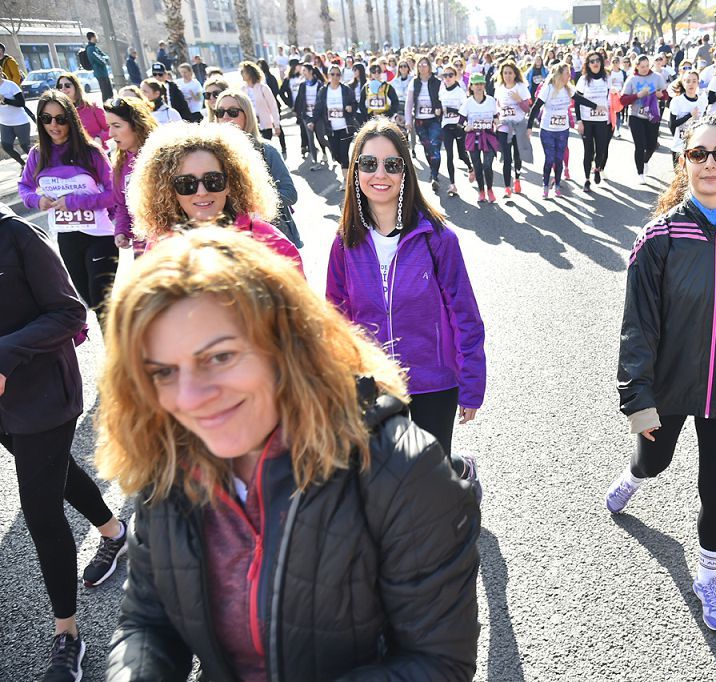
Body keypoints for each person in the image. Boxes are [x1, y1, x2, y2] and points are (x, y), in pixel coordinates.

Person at [98, 226, 480, 680]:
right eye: (162, 372)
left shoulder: (399, 469)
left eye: (219, 357)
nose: (191, 397)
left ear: (283, 346)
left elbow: (438, 662)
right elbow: (148, 619)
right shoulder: (170, 461)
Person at [607, 115, 716, 633]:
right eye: (699, 154)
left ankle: (708, 575)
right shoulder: (660, 236)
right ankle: (633, 475)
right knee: (655, 462)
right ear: (684, 163)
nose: (710, 164)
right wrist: (637, 399)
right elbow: (636, 326)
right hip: (669, 385)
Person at [0, 204, 128, 682]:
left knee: (40, 509)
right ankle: (116, 534)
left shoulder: (18, 237)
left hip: (43, 397)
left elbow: (70, 312)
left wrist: (6, 353)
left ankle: (68, 636)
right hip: (5, 406)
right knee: (56, 472)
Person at [326, 118, 486, 499]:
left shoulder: (438, 238)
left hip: (436, 379)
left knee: (432, 471)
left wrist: (471, 384)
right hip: (375, 383)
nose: (379, 174)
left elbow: (465, 315)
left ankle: (458, 469)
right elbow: (335, 319)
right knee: (389, 477)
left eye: (391, 165)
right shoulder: (344, 243)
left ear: (405, 172)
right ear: (355, 172)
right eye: (368, 164)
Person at [127, 121, 302, 271]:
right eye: (186, 183)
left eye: (213, 180)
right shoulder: (159, 249)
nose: (202, 192)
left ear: (230, 183)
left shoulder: (271, 245)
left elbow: (298, 308)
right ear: (169, 190)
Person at [18, 90, 119, 328]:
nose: (54, 125)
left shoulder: (91, 152)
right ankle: (123, 341)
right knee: (92, 303)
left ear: (71, 120)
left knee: (101, 299)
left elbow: (113, 194)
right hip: (68, 237)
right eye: (46, 119)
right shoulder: (37, 154)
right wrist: (36, 200)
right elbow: (24, 187)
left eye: (61, 119)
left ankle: (119, 360)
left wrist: (75, 201)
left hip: (99, 236)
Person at [215, 89, 303, 248]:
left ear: (246, 115)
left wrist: (252, 202)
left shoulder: (266, 151)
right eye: (220, 112)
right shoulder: (210, 156)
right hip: (231, 242)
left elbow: (290, 194)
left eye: (233, 112)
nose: (225, 117)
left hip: (270, 238)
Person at [527, 63, 596, 199]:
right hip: (547, 129)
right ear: (559, 74)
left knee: (559, 160)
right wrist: (529, 127)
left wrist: (595, 106)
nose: (569, 75)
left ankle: (557, 185)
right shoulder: (548, 88)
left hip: (562, 130)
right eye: (567, 73)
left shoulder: (568, 89)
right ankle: (545, 185)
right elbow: (536, 107)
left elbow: (579, 100)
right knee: (549, 159)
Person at [105, 96, 159, 255]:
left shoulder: (163, 157)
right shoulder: (120, 164)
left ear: (137, 125)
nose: (110, 133)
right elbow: (122, 205)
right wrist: (121, 231)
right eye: (108, 126)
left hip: (170, 245)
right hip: (142, 248)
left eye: (116, 126)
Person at [619, 55, 667, 185]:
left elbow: (666, 94)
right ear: (637, 66)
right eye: (642, 67)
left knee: (652, 145)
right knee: (639, 146)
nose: (645, 69)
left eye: (647, 66)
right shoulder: (632, 79)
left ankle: (645, 161)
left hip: (652, 115)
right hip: (636, 116)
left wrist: (660, 95)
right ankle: (640, 173)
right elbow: (622, 100)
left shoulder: (657, 77)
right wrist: (638, 95)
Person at [312, 64, 359, 180]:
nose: (335, 77)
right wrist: (312, 121)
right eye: (332, 74)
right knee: (336, 154)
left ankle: (347, 180)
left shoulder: (346, 89)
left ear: (341, 76)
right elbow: (318, 108)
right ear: (328, 75)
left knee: (343, 153)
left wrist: (350, 108)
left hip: (345, 127)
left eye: (338, 74)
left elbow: (355, 103)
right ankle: (349, 170)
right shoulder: (323, 91)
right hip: (331, 129)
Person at [494, 59, 532, 198]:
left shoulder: (521, 87)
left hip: (519, 126)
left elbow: (527, 109)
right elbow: (497, 107)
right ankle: (507, 187)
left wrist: (518, 100)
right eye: (505, 73)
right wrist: (497, 119)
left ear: (515, 74)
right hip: (504, 127)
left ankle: (517, 179)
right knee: (507, 157)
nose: (508, 75)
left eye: (510, 73)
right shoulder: (499, 89)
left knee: (517, 156)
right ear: (502, 75)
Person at [575, 51, 613, 193]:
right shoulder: (583, 80)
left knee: (601, 150)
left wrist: (613, 118)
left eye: (597, 60)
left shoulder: (606, 78)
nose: (595, 63)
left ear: (601, 62)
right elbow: (577, 101)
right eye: (592, 61)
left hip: (602, 120)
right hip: (587, 120)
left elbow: (611, 99)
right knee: (588, 151)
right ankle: (586, 180)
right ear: (588, 64)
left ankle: (597, 168)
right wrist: (579, 121)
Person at [407, 57, 445, 193]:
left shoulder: (437, 82)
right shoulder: (414, 82)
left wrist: (440, 108)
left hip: (434, 120)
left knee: (435, 147)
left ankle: (434, 175)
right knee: (427, 147)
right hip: (420, 120)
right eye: (420, 65)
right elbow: (409, 103)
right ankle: (433, 169)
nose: (422, 67)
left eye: (425, 65)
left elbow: (443, 99)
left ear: (429, 67)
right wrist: (407, 121)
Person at [461, 72, 499, 203]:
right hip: (473, 137)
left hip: (488, 136)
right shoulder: (468, 102)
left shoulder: (491, 100)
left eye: (481, 84)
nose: (479, 87)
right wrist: (466, 127)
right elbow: (461, 121)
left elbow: (496, 116)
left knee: (488, 165)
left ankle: (490, 189)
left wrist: (497, 122)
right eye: (476, 84)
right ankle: (481, 191)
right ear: (471, 86)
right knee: (477, 165)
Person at [439, 63, 472, 197]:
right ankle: (452, 184)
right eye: (445, 75)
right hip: (446, 126)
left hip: (458, 126)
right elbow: (440, 107)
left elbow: (465, 111)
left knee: (462, 154)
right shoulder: (441, 91)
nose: (447, 78)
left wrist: (450, 110)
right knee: (449, 155)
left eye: (450, 75)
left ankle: (470, 168)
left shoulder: (460, 92)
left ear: (455, 77)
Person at [240, 60, 284, 155]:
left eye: (243, 71)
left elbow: (273, 107)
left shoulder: (263, 88)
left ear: (250, 73)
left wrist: (276, 125)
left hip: (265, 125)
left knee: (264, 150)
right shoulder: (242, 90)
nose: (241, 74)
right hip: (250, 125)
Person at [668, 71, 711, 165]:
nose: (691, 84)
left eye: (694, 81)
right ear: (683, 83)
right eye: (688, 81)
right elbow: (672, 124)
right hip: (679, 146)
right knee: (679, 178)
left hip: (696, 145)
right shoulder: (677, 101)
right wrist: (689, 115)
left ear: (698, 83)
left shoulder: (703, 101)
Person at [55, 72, 110, 144]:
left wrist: (99, 138)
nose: (63, 89)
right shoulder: (58, 111)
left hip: (97, 150)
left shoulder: (93, 107)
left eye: (67, 85)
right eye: (60, 86)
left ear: (76, 86)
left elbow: (110, 129)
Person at [295, 63, 329, 170]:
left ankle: (331, 151)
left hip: (318, 116)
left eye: (304, 70)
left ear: (310, 71)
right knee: (310, 139)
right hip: (307, 116)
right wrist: (300, 115)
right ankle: (315, 160)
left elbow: (323, 102)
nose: (303, 72)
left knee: (321, 138)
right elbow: (299, 101)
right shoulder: (302, 85)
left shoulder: (319, 85)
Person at [0, 68, 31, 167]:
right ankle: (23, 165)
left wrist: (5, 100)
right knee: (6, 146)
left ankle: (39, 164)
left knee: (25, 146)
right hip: (5, 123)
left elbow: (21, 103)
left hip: (20, 122)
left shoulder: (10, 85)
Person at [85, 31, 114, 101]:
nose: (97, 38)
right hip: (100, 73)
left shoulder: (95, 47)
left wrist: (105, 58)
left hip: (104, 72)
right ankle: (106, 108)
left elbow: (105, 56)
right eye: (95, 36)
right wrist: (105, 59)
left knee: (110, 92)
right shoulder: (90, 49)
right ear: (92, 37)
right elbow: (101, 60)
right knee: (105, 93)